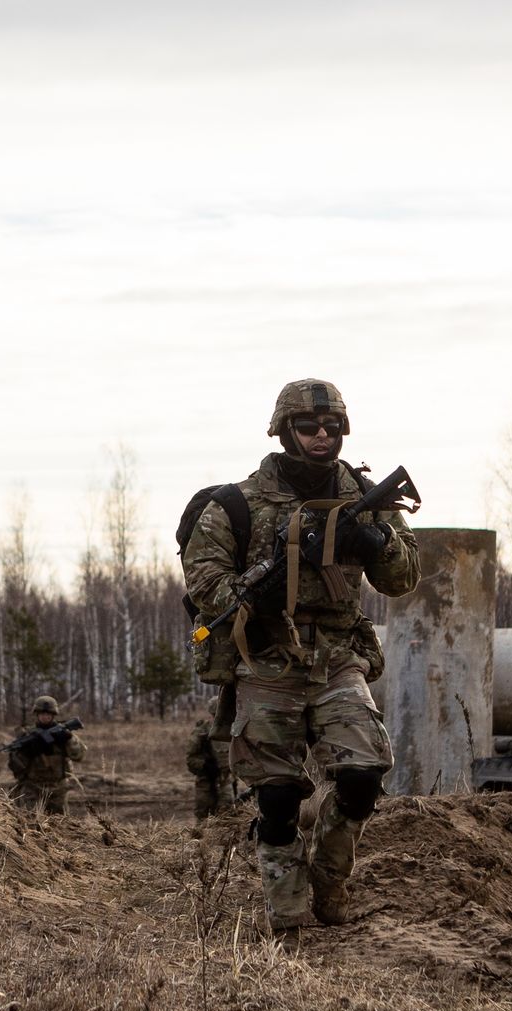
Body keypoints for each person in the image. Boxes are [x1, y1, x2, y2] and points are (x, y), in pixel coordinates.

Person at [181, 378, 419, 937]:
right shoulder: (237, 503)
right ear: (285, 430)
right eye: (308, 427)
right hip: (267, 659)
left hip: (338, 658)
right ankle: (286, 915)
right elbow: (203, 578)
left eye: (332, 426)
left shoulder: (366, 496)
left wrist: (372, 543)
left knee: (364, 772)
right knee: (279, 795)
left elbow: (403, 575)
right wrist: (251, 594)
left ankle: (331, 877)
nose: (321, 436)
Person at [6, 694, 86, 815]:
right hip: (32, 787)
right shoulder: (27, 735)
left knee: (61, 825)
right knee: (30, 821)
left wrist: (68, 739)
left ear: (53, 715)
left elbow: (79, 756)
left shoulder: (62, 733)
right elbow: (15, 767)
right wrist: (28, 752)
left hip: (58, 788)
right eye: (42, 714)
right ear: (37, 715)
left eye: (48, 714)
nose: (45, 717)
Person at [186, 695, 232, 823]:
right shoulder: (202, 732)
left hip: (226, 781)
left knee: (228, 815)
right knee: (203, 816)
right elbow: (190, 759)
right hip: (206, 781)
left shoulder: (233, 730)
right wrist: (205, 766)